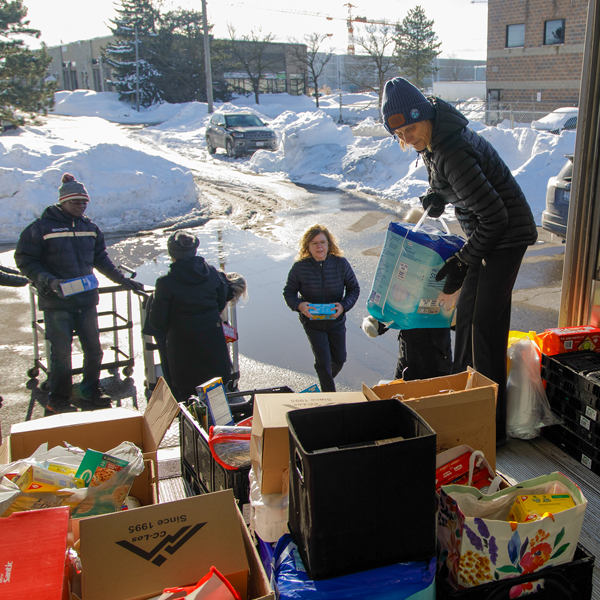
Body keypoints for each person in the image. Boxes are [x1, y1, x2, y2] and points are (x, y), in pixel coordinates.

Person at [381, 77, 538, 445]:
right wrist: (438, 195)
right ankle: (463, 403)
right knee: (465, 320)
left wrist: (463, 261)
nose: (408, 139)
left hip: (506, 236)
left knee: (485, 326)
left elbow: (496, 218)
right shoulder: (434, 139)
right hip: (489, 232)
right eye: (400, 134)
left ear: (425, 116)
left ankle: (491, 428)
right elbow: (453, 181)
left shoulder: (451, 150)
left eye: (411, 129)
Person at [15, 173, 144, 414]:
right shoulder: (41, 228)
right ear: (62, 202)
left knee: (94, 350)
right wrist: (48, 280)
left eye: (84, 202)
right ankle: (58, 397)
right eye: (76, 202)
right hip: (57, 302)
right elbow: (24, 260)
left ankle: (89, 390)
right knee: (61, 354)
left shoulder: (89, 228)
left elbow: (101, 259)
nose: (81, 205)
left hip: (86, 300)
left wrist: (123, 280)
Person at [148, 230, 233, 402]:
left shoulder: (165, 283)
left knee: (188, 401)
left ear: (172, 254)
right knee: (216, 396)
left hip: (183, 350)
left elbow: (158, 322)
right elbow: (220, 301)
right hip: (212, 342)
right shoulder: (211, 273)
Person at [283, 224, 360, 392]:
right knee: (323, 362)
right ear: (307, 247)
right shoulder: (299, 268)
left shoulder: (341, 264)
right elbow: (288, 293)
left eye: (322, 242)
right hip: (313, 324)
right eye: (314, 243)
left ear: (329, 244)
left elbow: (354, 288)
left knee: (339, 359)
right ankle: (329, 398)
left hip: (336, 322)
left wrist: (343, 306)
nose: (319, 246)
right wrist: (300, 305)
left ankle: (324, 381)